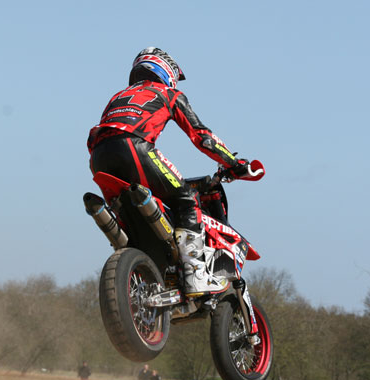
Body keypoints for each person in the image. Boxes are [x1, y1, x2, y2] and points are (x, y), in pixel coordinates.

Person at [88, 47, 252, 296]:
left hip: (99, 157)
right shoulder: (168, 93)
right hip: (134, 147)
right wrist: (234, 163)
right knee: (187, 198)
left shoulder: (118, 96)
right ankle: (195, 273)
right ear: (166, 70)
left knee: (126, 212)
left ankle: (141, 270)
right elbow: (203, 137)